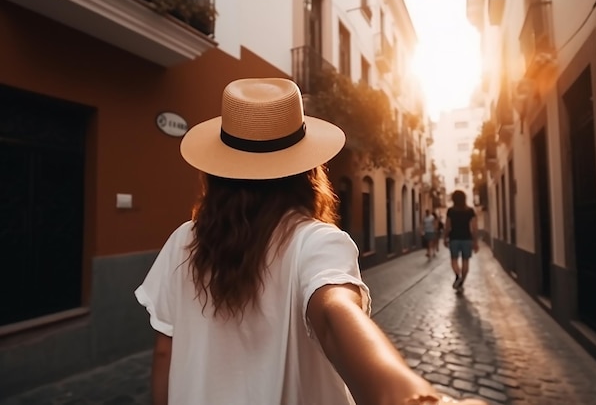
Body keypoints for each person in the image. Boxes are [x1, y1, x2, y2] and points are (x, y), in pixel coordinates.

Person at [135, 78, 486, 405]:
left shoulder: (184, 239)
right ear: (307, 172)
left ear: (218, 170)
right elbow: (335, 316)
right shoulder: (316, 243)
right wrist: (413, 397)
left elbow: (165, 351)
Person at [443, 190, 479, 291]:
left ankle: (458, 277)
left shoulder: (450, 211)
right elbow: (474, 227)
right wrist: (475, 241)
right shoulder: (470, 211)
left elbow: (447, 226)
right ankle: (461, 282)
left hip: (454, 238)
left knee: (454, 259)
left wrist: (445, 237)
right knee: (465, 261)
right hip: (467, 238)